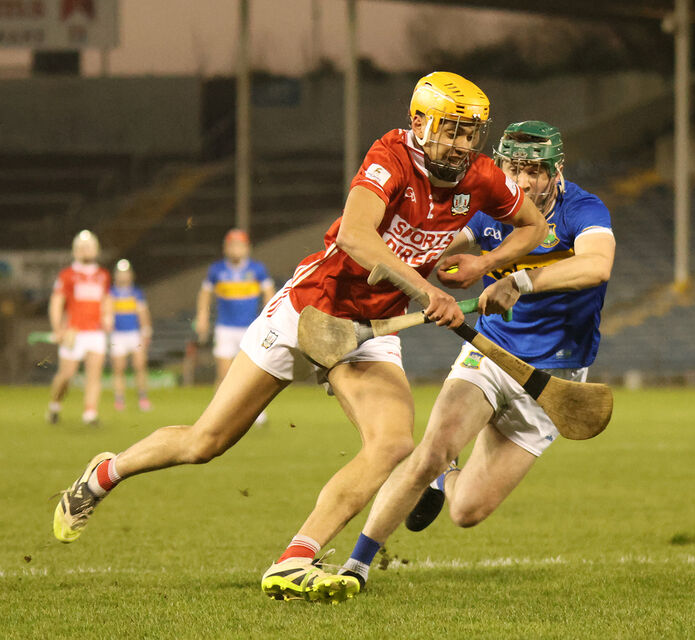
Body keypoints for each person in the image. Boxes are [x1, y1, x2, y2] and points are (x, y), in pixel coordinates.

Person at [52, 73, 548, 603]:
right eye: (452, 131)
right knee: (206, 442)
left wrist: (486, 264)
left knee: (393, 443)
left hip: (374, 328)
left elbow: (533, 225)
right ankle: (106, 472)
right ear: (420, 122)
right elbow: (356, 236)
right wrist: (426, 291)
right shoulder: (392, 155)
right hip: (314, 306)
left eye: (471, 134)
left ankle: (296, 558)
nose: (463, 145)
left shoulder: (483, 175)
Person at [337, 120, 616, 590]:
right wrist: (434, 275)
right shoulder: (489, 206)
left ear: (557, 170)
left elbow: (597, 264)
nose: (523, 182)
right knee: (432, 449)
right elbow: (441, 246)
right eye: (514, 169)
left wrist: (517, 280)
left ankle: (443, 482)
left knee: (466, 511)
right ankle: (356, 565)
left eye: (535, 172)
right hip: (488, 354)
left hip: (553, 378)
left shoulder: (582, 210)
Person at [195, 228, 276, 387]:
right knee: (224, 374)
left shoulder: (257, 269)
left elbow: (269, 294)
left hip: (250, 328)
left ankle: (257, 412)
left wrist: (269, 320)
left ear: (247, 248)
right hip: (225, 328)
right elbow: (205, 294)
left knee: (253, 374)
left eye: (239, 245)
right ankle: (220, 412)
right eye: (232, 245)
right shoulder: (217, 270)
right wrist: (202, 316)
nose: (235, 249)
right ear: (225, 248)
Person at [47, 230, 112, 426]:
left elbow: (106, 299)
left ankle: (90, 413)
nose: (86, 250)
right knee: (66, 375)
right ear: (75, 250)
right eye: (82, 247)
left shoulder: (103, 275)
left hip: (96, 332)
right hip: (73, 332)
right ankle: (54, 405)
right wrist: (58, 328)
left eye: (89, 246)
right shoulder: (67, 275)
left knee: (94, 374)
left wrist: (108, 317)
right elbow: (56, 302)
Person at [109, 259, 153, 412]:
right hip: (117, 335)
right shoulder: (111, 293)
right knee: (119, 368)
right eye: (120, 273)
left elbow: (143, 313)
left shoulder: (136, 293)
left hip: (134, 334)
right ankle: (120, 400)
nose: (123, 276)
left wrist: (146, 330)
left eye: (126, 272)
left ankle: (143, 397)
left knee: (140, 366)